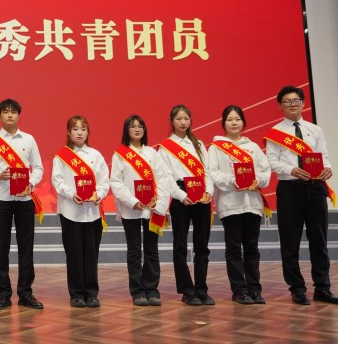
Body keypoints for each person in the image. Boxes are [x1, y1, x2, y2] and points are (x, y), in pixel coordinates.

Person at [264, 85, 338, 305]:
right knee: (290, 241)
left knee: (319, 240)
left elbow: (324, 156)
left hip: (316, 187)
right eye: (287, 101)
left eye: (296, 101)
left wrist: (328, 168)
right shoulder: (275, 133)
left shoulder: (314, 130)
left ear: (303, 103)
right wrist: (291, 169)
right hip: (290, 189)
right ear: (280, 105)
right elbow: (271, 161)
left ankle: (323, 288)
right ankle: (297, 288)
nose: (292, 105)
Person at [0, 99, 44, 311]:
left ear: (18, 115)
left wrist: (30, 184)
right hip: (1, 198)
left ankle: (25, 293)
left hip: (24, 199)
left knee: (26, 247)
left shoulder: (29, 139)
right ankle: (3, 295)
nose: (9, 115)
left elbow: (38, 168)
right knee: (1, 247)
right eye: (5, 112)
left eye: (13, 112)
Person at [207, 105, 271, 305]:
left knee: (252, 247)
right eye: (229, 119)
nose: (234, 123)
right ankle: (239, 290)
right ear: (223, 123)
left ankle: (254, 288)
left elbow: (265, 171)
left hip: (252, 203)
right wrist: (233, 181)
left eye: (237, 119)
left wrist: (256, 180)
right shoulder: (216, 147)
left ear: (243, 122)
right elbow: (213, 173)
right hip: (230, 204)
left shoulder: (252, 147)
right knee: (234, 248)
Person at [157, 104, 214, 306]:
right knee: (180, 245)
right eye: (179, 119)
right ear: (171, 121)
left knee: (202, 244)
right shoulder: (165, 147)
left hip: (201, 195)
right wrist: (181, 196)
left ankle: (202, 289)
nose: (183, 122)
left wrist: (209, 191)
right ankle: (187, 290)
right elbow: (165, 176)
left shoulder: (198, 144)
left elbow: (207, 171)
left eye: (186, 119)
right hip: (180, 195)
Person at [110, 115, 170, 307]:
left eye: (140, 126)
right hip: (131, 209)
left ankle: (151, 289)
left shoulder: (153, 153)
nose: (137, 129)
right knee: (135, 250)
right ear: (126, 130)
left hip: (152, 209)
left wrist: (158, 203)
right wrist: (133, 201)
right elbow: (116, 182)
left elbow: (162, 179)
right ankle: (137, 291)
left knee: (152, 250)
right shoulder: (120, 154)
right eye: (133, 126)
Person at [51, 115, 109, 308]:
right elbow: (57, 181)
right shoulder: (61, 157)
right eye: (75, 129)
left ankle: (91, 294)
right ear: (68, 132)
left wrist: (98, 194)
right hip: (70, 211)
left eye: (83, 129)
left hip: (92, 212)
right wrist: (71, 194)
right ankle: (76, 294)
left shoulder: (96, 155)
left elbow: (104, 180)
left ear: (88, 132)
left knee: (91, 254)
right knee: (74, 254)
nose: (79, 133)